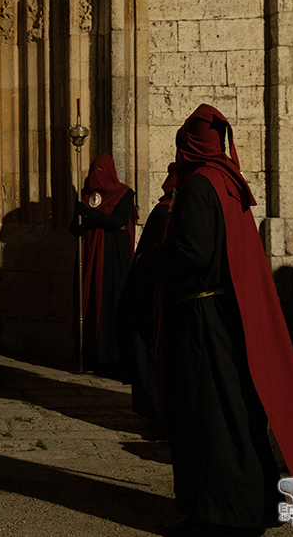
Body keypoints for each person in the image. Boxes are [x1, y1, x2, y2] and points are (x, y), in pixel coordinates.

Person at [155, 104, 293, 532]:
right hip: (225, 314)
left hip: (202, 320)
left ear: (189, 145)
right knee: (236, 412)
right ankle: (248, 505)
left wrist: (157, 263)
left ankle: (219, 515)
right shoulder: (228, 179)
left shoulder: (199, 185)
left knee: (210, 416)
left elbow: (194, 254)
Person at [117, 162, 176, 422]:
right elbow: (150, 257)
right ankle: (153, 409)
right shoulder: (164, 213)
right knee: (149, 353)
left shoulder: (171, 210)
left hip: (161, 294)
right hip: (151, 294)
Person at [70, 152, 136, 374]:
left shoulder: (124, 194)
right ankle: (89, 355)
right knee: (89, 301)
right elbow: (74, 227)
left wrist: (89, 214)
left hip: (112, 256)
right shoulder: (86, 195)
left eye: (101, 171)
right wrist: (78, 225)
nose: (96, 176)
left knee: (110, 301)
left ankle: (112, 358)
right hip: (90, 254)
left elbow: (117, 221)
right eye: (93, 170)